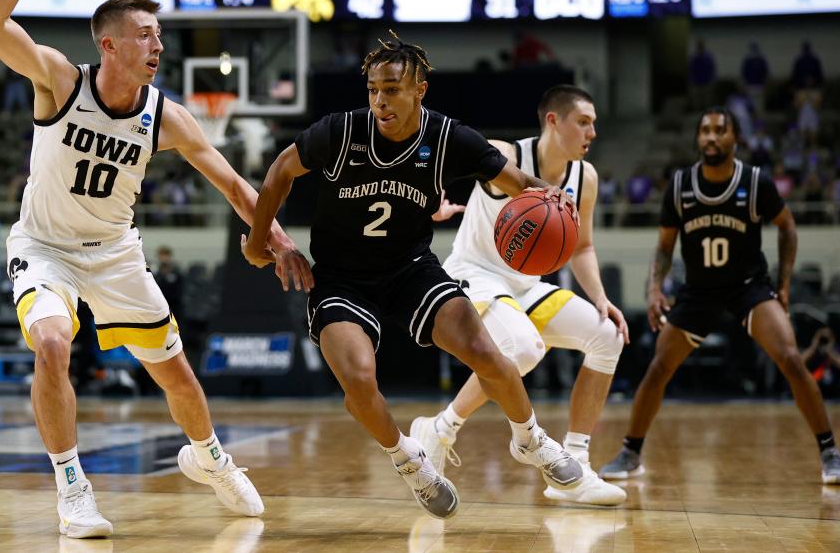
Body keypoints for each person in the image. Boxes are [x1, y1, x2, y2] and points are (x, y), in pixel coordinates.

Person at [0, 0, 312, 539]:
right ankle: (72, 487)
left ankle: (210, 458)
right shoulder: (59, 81)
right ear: (109, 44)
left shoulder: (166, 115)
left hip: (115, 254)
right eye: (145, 34)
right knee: (51, 345)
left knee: (176, 375)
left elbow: (236, 186)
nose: (158, 43)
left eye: (159, 35)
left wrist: (281, 240)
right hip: (43, 248)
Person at [243, 31, 585, 520]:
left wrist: (550, 197)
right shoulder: (340, 132)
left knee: (488, 351)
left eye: (392, 89)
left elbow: (517, 184)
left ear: (419, 90)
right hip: (341, 278)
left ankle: (530, 440)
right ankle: (410, 462)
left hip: (411, 269)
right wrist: (261, 243)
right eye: (373, 89)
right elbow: (279, 171)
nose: (380, 100)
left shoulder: (448, 138)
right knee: (359, 383)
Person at [599, 107, 840, 486]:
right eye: (705, 131)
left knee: (791, 359)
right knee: (657, 369)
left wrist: (782, 285)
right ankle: (631, 453)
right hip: (699, 291)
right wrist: (654, 289)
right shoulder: (681, 185)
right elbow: (665, 246)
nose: (711, 137)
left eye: (720, 130)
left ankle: (830, 451)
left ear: (735, 138)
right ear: (698, 138)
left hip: (748, 286)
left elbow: (788, 228)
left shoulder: (754, 181)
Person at [410, 85, 629, 506]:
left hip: (525, 286)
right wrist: (427, 199)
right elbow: (434, 155)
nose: (593, 132)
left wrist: (600, 298)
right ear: (553, 121)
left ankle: (576, 463)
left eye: (594, 124)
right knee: (523, 347)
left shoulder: (586, 178)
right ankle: (443, 429)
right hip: (473, 273)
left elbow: (582, 246)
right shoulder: (506, 155)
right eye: (584, 121)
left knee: (608, 337)